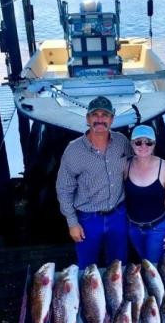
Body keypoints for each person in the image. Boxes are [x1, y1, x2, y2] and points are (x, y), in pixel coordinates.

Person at [56, 96, 132, 268]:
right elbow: (63, 189)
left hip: (118, 215)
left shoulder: (122, 142)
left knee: (119, 266)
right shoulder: (73, 150)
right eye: (95, 115)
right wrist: (72, 223)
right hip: (88, 218)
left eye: (105, 115)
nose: (100, 119)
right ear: (87, 119)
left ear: (112, 119)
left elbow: (135, 168)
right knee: (87, 268)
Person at [124, 124, 165, 263]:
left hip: (158, 228)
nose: (143, 146)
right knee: (143, 261)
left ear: (154, 144)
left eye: (148, 142)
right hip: (133, 227)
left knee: (152, 266)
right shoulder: (125, 166)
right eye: (138, 142)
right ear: (132, 144)